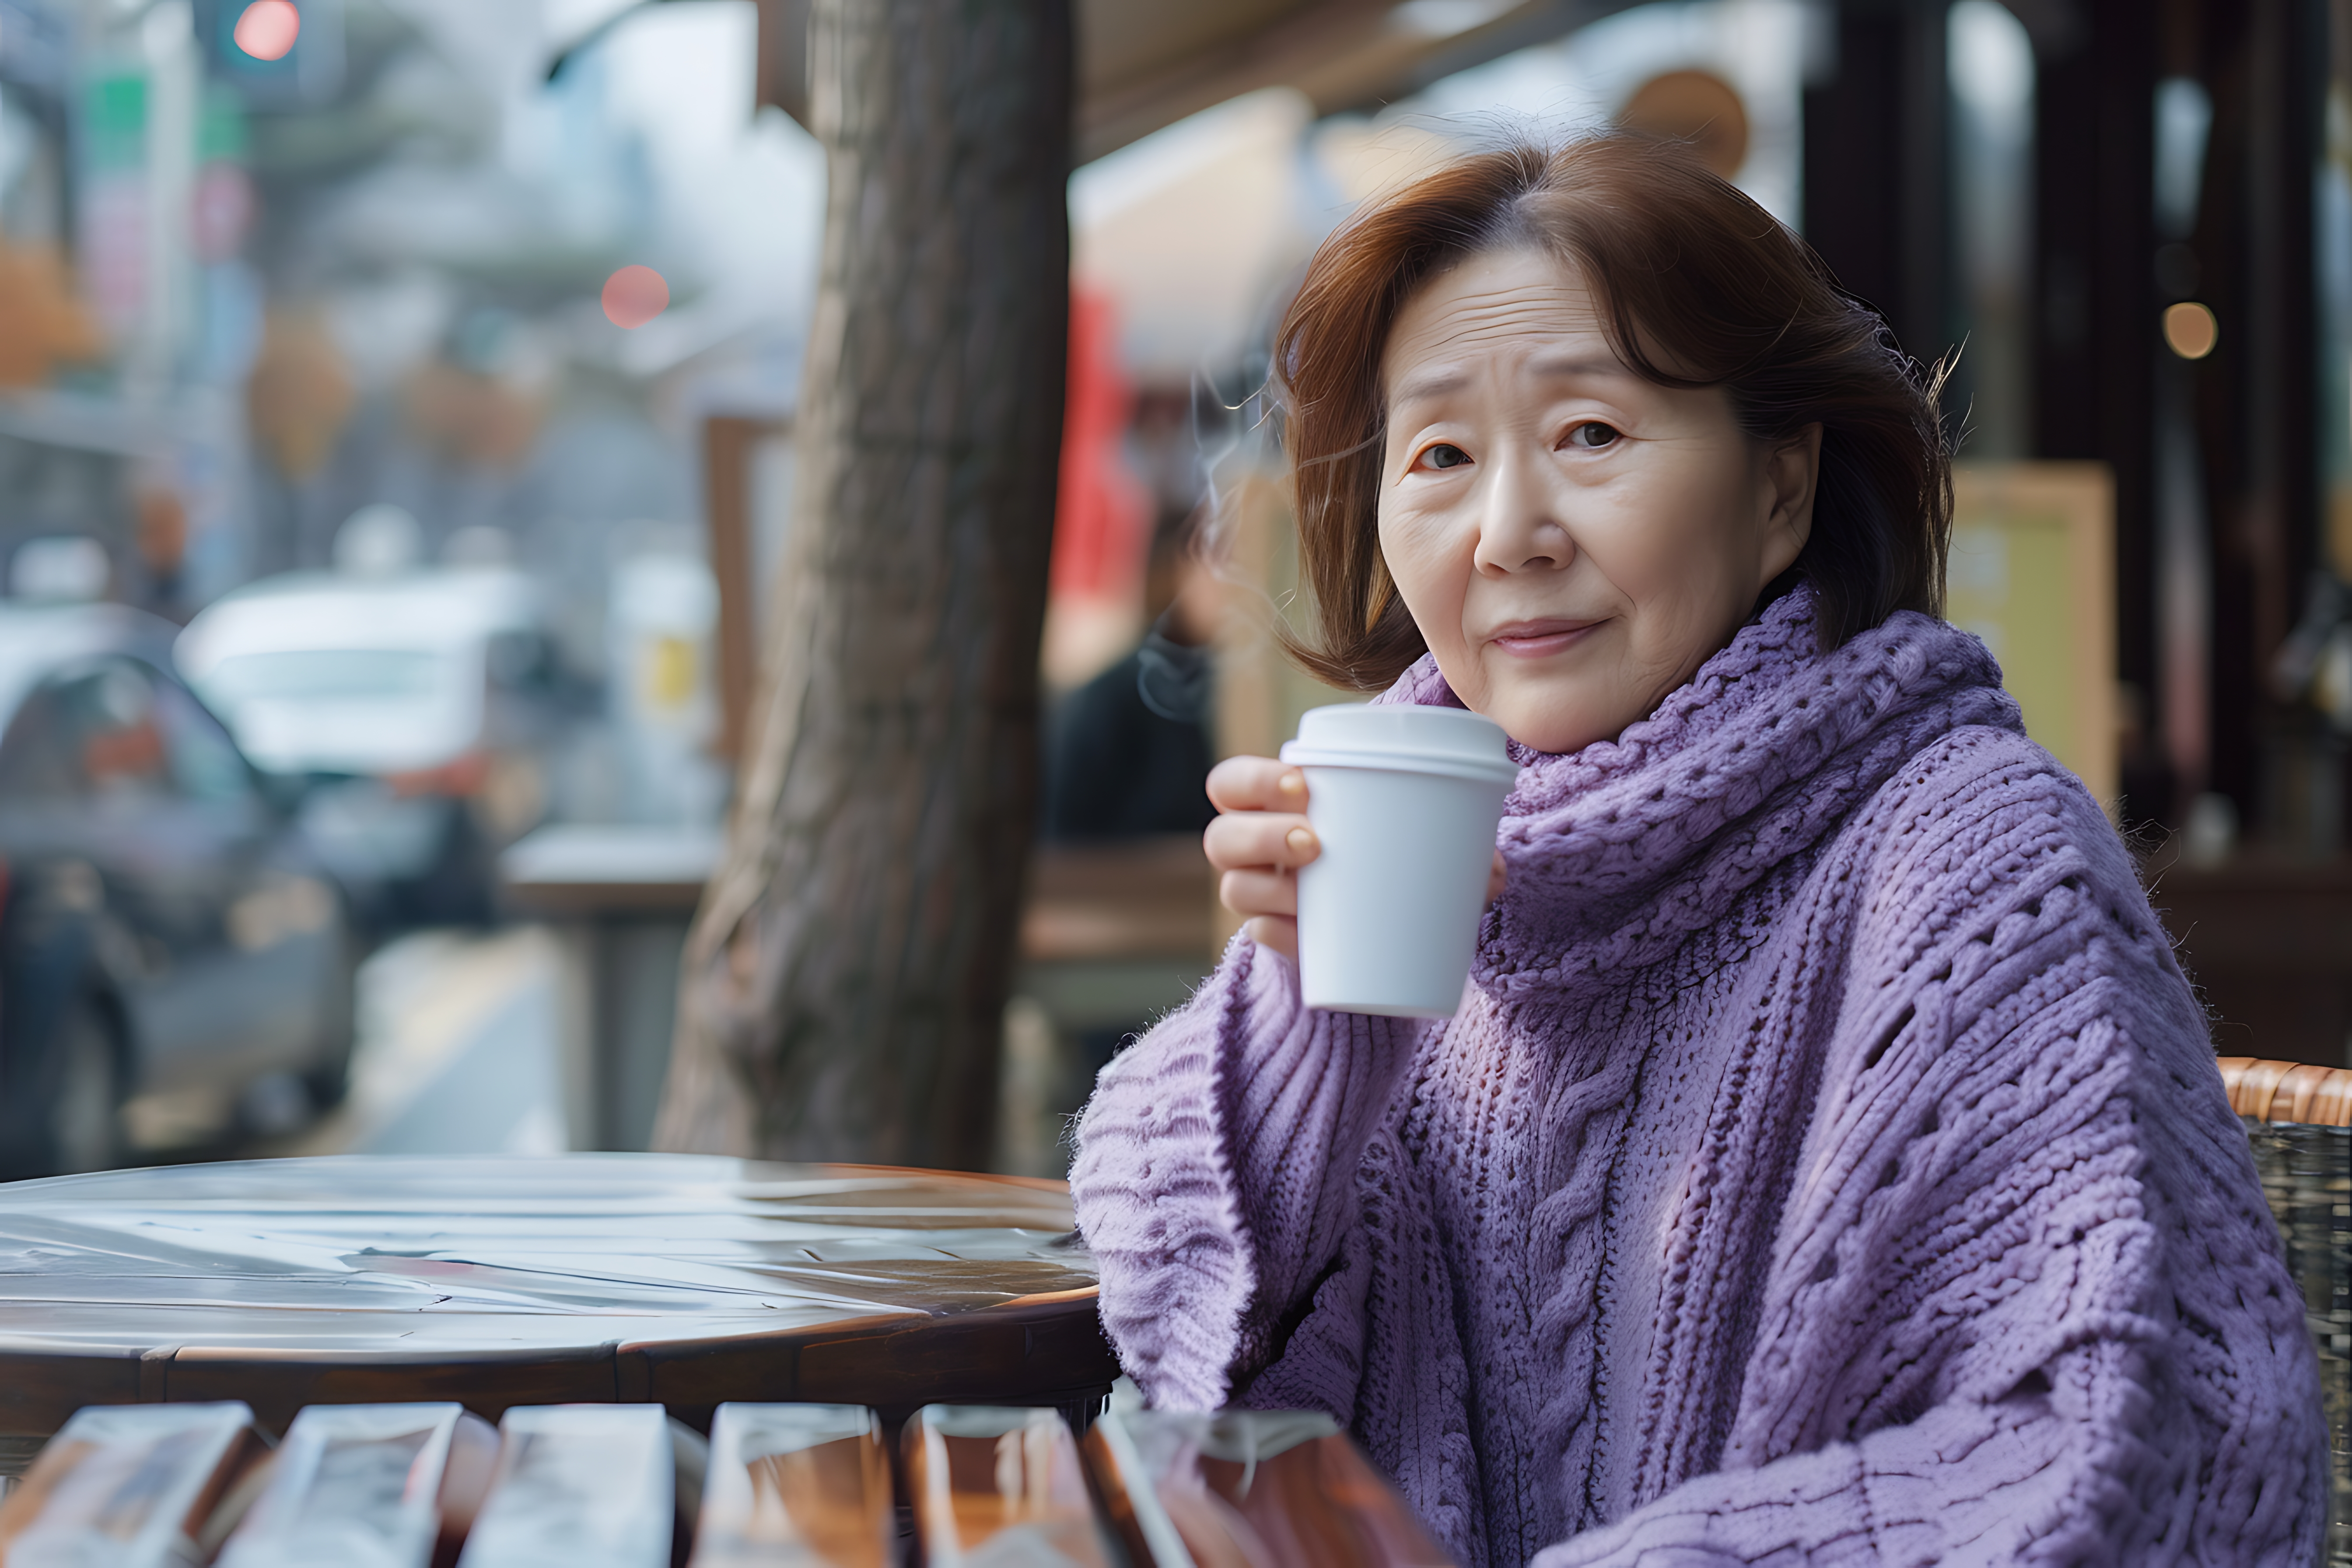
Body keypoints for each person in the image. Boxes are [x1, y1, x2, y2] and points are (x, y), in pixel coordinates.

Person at [1067, 135, 2325, 1566]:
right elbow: (1177, 1292)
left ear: (1784, 487)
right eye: (1439, 456)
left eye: (1591, 434)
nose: (1507, 533)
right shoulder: (1429, 834)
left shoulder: (1970, 858)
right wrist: (1312, 1012)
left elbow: (2105, 1451)